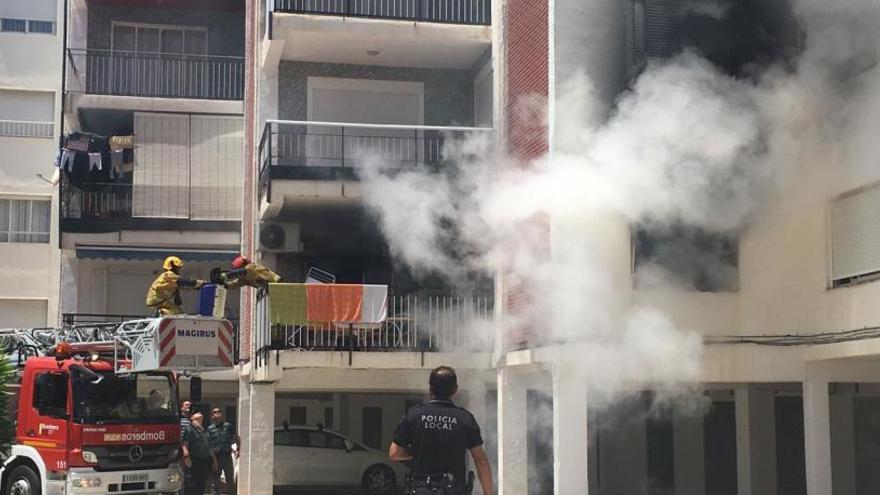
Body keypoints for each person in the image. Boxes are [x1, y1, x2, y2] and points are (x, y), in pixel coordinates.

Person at [389, 366, 494, 495]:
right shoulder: (465, 419)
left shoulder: (414, 415)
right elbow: (481, 461)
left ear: (430, 389)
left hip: (421, 490)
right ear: (455, 390)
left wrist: (418, 452)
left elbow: (394, 453)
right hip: (453, 490)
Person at [183, 412, 218, 495]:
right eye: (197, 413)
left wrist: (214, 461)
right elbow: (185, 444)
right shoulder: (189, 429)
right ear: (192, 418)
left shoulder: (204, 431)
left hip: (205, 461)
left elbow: (209, 448)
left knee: (202, 484)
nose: (200, 413)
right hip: (194, 460)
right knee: (193, 484)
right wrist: (187, 457)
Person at [207, 408, 239, 495]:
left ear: (222, 415)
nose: (217, 414)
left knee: (230, 480)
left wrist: (237, 449)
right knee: (215, 481)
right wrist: (213, 460)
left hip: (227, 456)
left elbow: (236, 437)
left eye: (219, 412)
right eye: (215, 413)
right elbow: (208, 445)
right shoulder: (210, 429)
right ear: (212, 416)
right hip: (215, 457)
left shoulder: (228, 426)